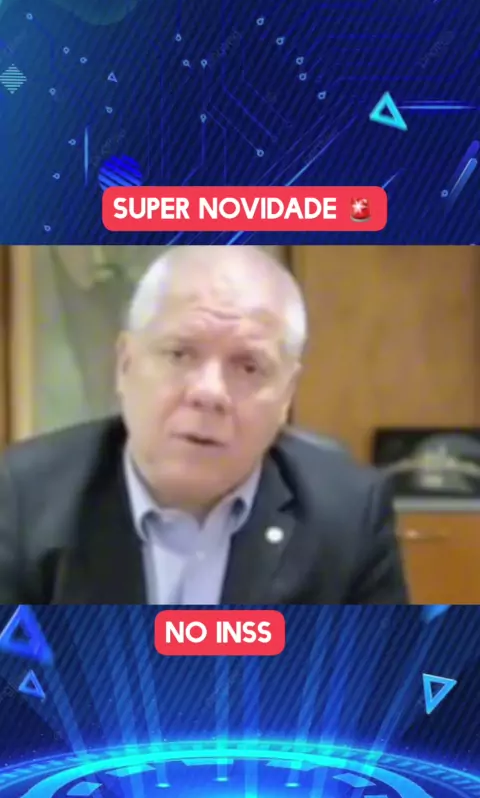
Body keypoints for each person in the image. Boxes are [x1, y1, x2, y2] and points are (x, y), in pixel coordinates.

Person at [0, 246, 408, 604]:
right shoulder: (21, 500)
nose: (210, 393)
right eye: (180, 354)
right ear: (125, 364)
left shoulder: (349, 516)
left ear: (287, 394)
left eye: (248, 366)